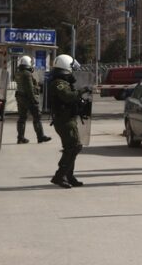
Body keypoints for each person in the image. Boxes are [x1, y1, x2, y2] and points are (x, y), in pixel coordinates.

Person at [48, 54, 90, 188]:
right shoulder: (59, 83)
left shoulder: (64, 82)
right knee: (74, 147)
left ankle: (68, 176)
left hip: (68, 119)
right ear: (66, 66)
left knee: (72, 147)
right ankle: (60, 176)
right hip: (64, 120)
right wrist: (82, 91)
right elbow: (67, 97)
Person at [15, 55, 51, 144]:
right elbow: (29, 88)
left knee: (22, 118)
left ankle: (20, 138)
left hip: (20, 98)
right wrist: (34, 99)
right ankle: (40, 136)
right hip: (28, 98)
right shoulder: (27, 74)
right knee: (37, 117)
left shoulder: (18, 73)